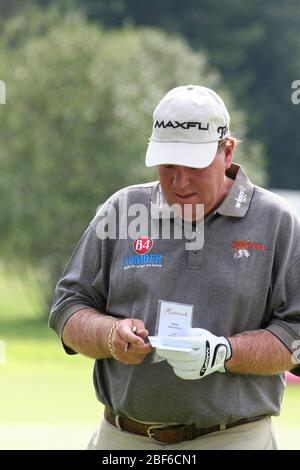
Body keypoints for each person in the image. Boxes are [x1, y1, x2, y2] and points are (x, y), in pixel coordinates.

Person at [49, 84, 300, 450]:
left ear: (227, 152)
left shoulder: (276, 222)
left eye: (194, 167)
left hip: (232, 439)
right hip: (122, 439)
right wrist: (110, 335)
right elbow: (67, 308)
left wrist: (224, 354)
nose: (179, 183)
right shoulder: (121, 210)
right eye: (168, 166)